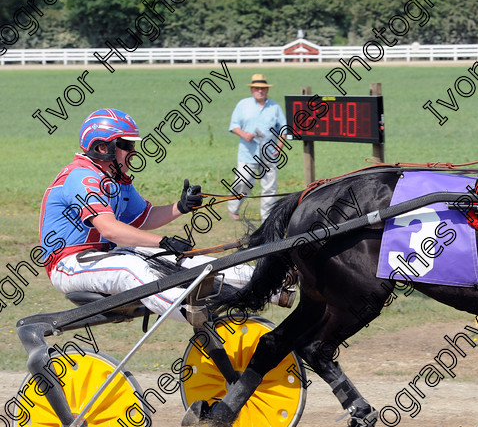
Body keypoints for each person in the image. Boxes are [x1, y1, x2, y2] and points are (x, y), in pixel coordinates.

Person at [40, 108, 291, 322]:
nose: (133, 151)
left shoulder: (115, 180)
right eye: (126, 145)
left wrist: (180, 207)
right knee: (131, 268)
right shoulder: (82, 177)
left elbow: (144, 217)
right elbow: (110, 229)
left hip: (101, 256)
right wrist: (161, 240)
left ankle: (276, 284)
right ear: (102, 148)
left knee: (182, 260)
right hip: (68, 264)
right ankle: (191, 313)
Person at [228, 73, 287, 222]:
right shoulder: (243, 105)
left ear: (267, 90)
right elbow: (234, 125)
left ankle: (267, 217)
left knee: (270, 187)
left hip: (269, 153)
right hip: (248, 152)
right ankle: (233, 208)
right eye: (256, 88)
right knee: (243, 181)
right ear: (252, 89)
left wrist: (280, 145)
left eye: (262, 88)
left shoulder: (274, 107)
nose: (259, 91)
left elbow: (283, 128)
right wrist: (244, 134)